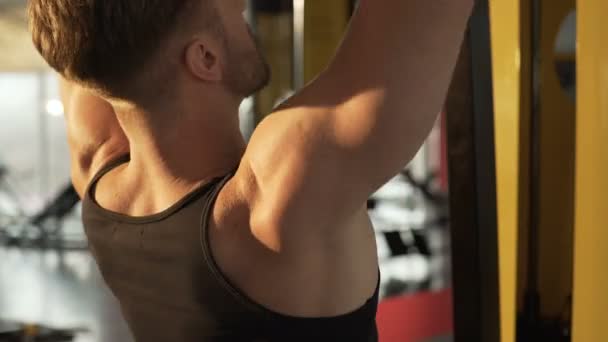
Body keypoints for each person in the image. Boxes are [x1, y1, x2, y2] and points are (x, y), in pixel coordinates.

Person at [28, 0, 473, 340]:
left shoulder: (97, 173)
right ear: (205, 58)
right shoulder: (276, 204)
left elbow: (86, 32)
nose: (243, 5)